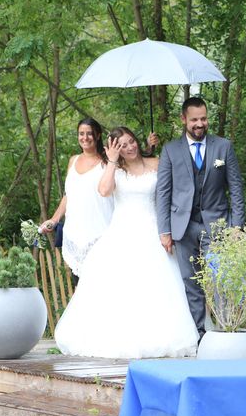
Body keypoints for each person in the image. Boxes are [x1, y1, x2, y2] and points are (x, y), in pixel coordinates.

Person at [54, 126, 199, 358]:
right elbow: (103, 191)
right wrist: (111, 161)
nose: (130, 147)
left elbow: (174, 192)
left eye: (131, 141)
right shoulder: (114, 170)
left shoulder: (157, 163)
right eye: (122, 145)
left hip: (154, 231)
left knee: (159, 285)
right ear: (115, 149)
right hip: (122, 233)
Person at [156, 97, 246, 340]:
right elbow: (163, 192)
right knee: (191, 281)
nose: (200, 124)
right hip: (182, 227)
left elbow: (236, 187)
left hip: (215, 224)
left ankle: (225, 331)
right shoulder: (170, 150)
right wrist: (164, 231)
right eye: (194, 119)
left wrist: (236, 226)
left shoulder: (223, 147)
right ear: (184, 119)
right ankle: (200, 335)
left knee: (218, 279)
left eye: (203, 119)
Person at [41, 118, 114, 285]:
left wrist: (148, 147)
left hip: (101, 232)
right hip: (75, 233)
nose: (85, 137)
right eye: (81, 133)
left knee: (103, 285)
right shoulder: (73, 161)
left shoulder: (107, 161)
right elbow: (69, 195)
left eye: (89, 133)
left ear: (97, 135)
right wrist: (54, 219)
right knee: (80, 287)